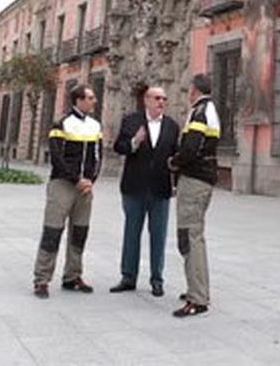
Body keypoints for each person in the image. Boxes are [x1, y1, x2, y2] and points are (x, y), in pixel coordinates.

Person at [32, 85, 102, 299]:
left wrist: (90, 180)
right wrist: (76, 179)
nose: (94, 101)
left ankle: (72, 276)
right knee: (53, 231)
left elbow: (98, 157)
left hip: (85, 188)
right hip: (62, 185)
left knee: (80, 232)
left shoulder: (95, 125)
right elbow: (57, 157)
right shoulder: (61, 124)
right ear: (78, 100)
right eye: (90, 98)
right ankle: (42, 280)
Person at [109, 85, 180, 297]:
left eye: (164, 99)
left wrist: (174, 182)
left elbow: (175, 156)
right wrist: (134, 142)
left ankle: (157, 279)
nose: (161, 102)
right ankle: (128, 277)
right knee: (132, 232)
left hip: (160, 189)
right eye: (157, 98)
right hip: (134, 187)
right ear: (146, 100)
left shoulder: (172, 126)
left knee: (158, 236)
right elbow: (118, 147)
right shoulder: (131, 121)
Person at [170, 73, 220, 318]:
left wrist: (174, 162)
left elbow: (191, 148)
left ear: (195, 89)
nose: (187, 91)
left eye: (189, 88)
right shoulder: (207, 110)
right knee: (193, 236)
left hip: (195, 180)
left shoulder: (201, 112)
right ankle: (196, 288)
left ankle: (198, 299)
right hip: (202, 179)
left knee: (190, 236)